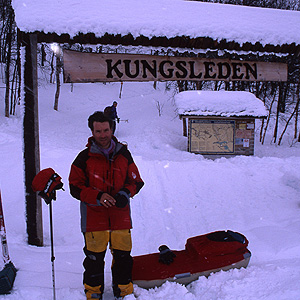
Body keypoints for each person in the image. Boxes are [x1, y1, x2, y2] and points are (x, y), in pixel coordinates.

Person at [69, 111, 144, 300]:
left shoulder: (124, 154)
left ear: (112, 129)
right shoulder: (84, 157)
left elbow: (136, 181)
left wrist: (125, 193)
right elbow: (74, 187)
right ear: (92, 131)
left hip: (121, 217)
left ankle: (124, 292)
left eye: (106, 130)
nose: (103, 135)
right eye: (98, 131)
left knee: (123, 258)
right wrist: (97, 196)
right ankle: (93, 294)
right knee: (94, 260)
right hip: (94, 219)